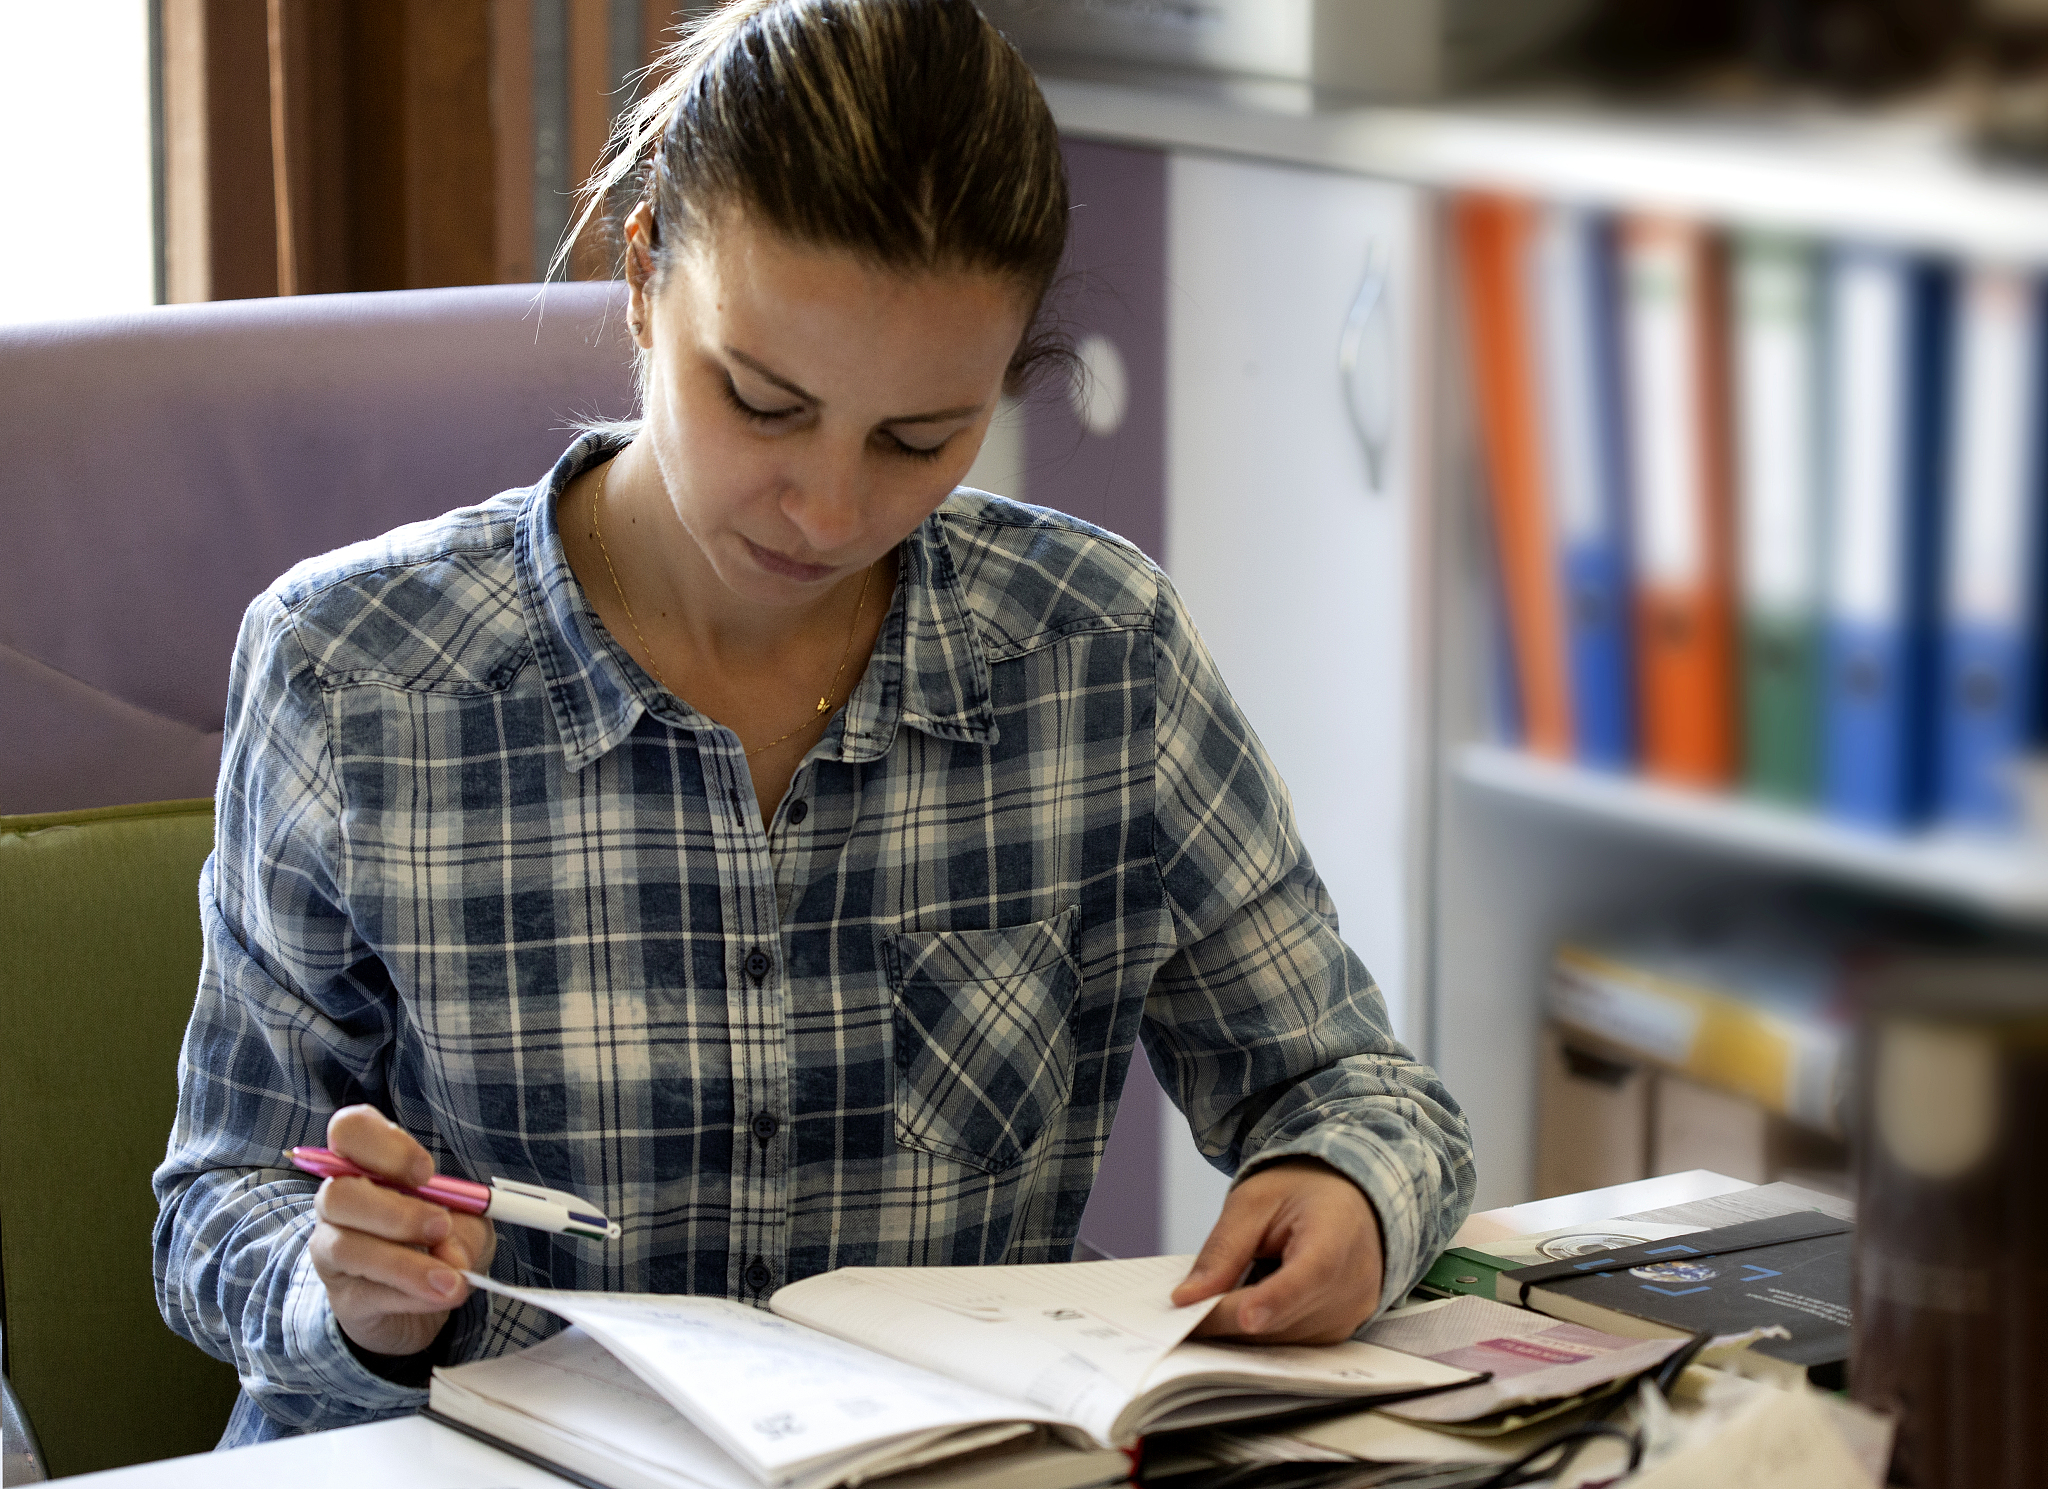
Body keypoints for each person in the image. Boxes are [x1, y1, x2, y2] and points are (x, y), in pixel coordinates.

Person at [153, 0, 1475, 1447]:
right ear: (645, 273)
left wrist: (1348, 1186)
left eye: (920, 438)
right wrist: (340, 1288)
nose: (830, 510)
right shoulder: (353, 673)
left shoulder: (1099, 652)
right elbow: (217, 1206)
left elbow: (1362, 1091)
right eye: (765, 404)